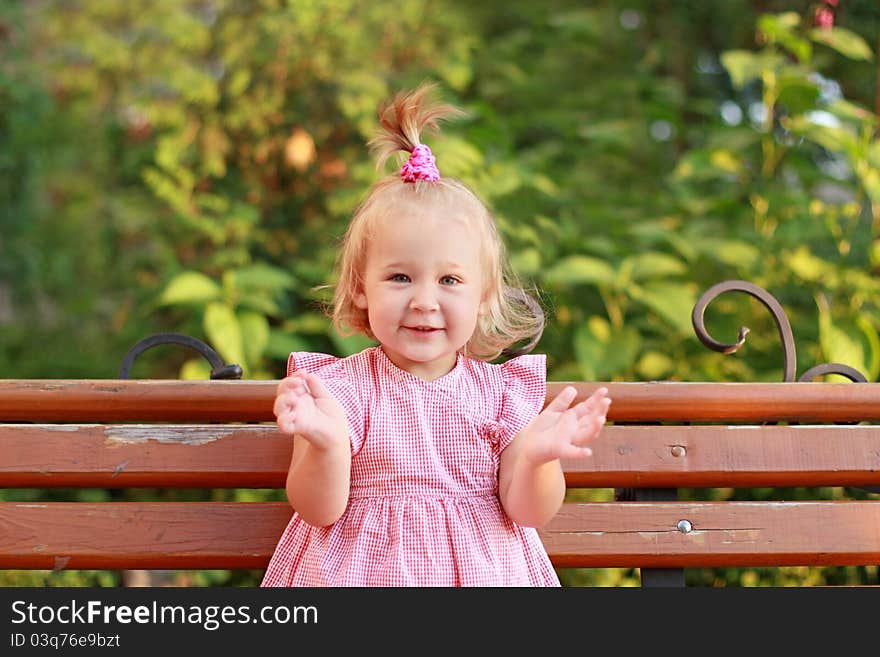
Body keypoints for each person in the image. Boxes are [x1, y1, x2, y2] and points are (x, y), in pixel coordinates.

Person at [261, 84, 611, 587]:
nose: (424, 300)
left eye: (449, 280)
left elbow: (528, 511)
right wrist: (325, 445)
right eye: (400, 277)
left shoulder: (500, 396)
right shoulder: (338, 393)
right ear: (361, 289)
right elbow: (319, 510)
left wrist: (538, 456)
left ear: (483, 298)